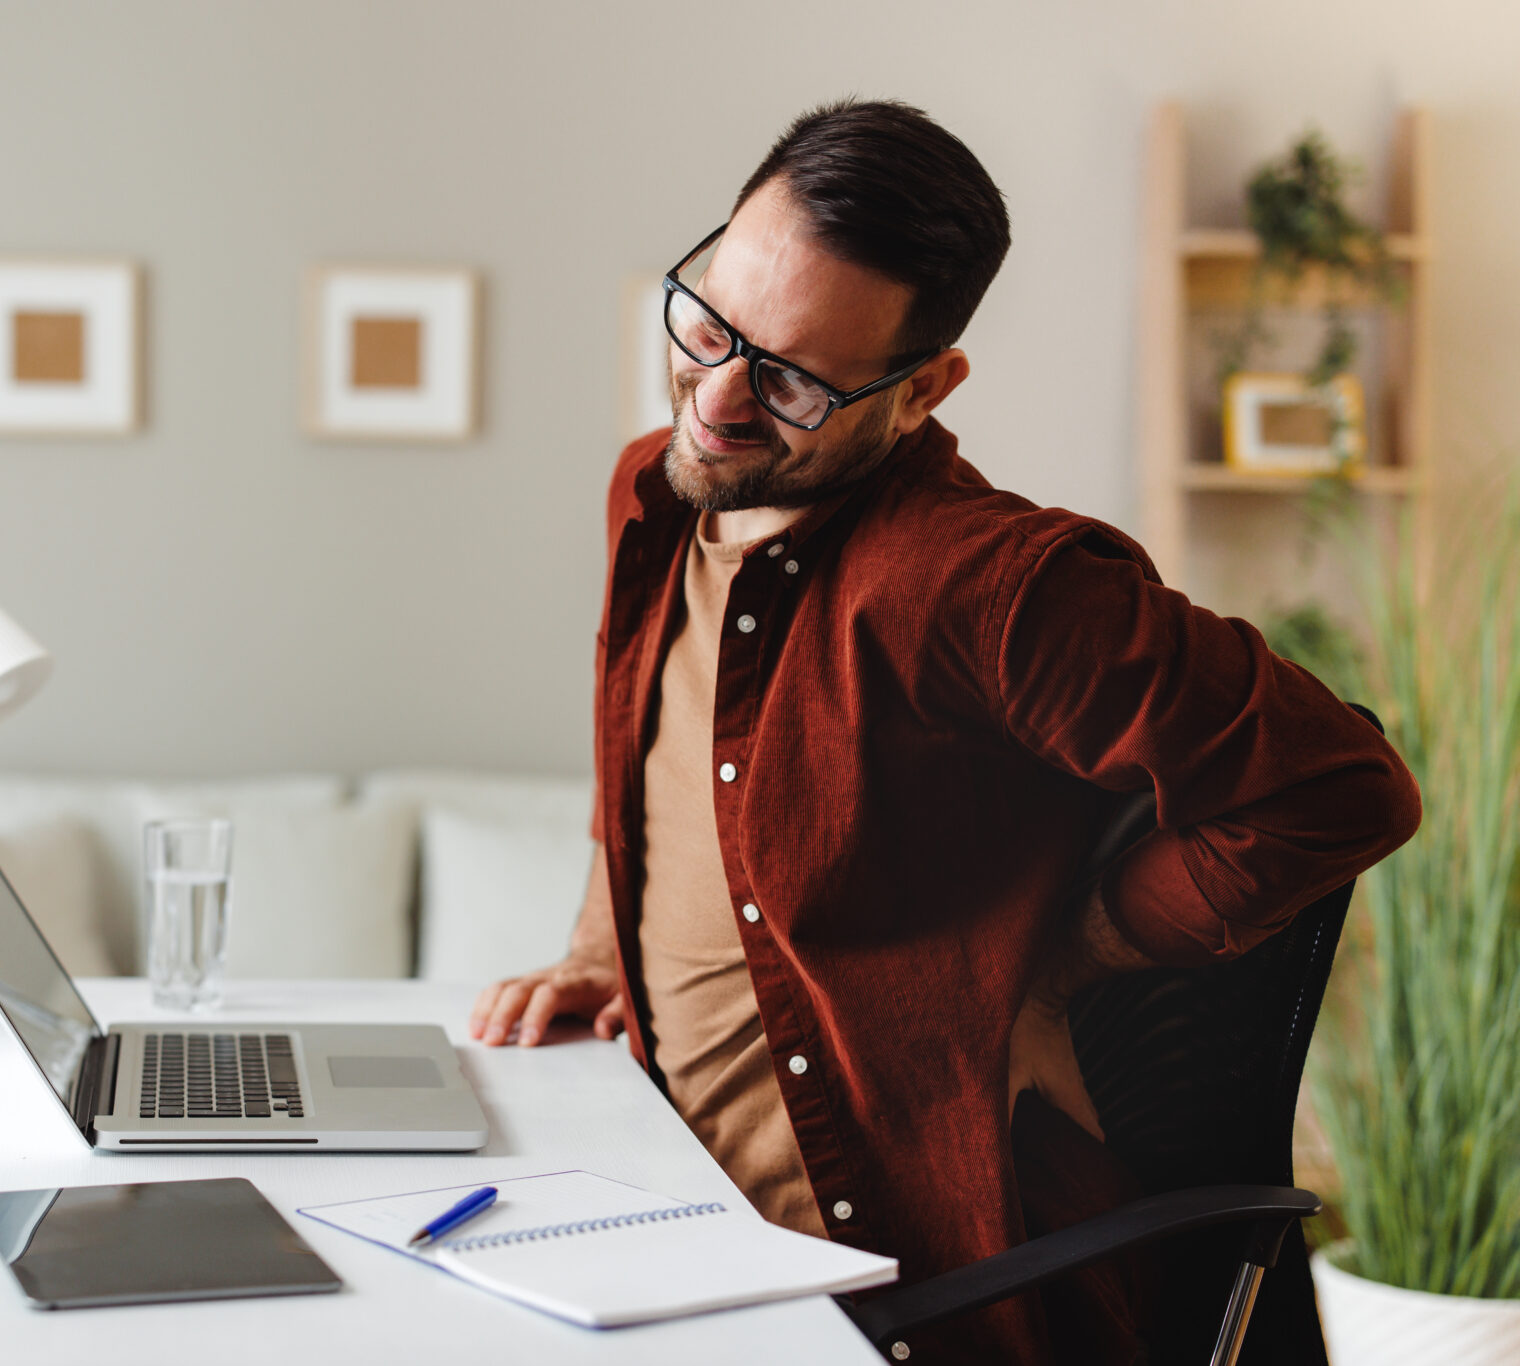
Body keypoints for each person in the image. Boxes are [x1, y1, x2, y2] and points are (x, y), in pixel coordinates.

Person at [469, 99, 1420, 1365]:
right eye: (709, 319)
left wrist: (1073, 951)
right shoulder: (651, 489)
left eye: (794, 379)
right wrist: (598, 943)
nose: (718, 397)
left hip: (892, 1292)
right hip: (663, 1207)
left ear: (920, 390)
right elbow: (637, 754)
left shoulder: (992, 587)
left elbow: (1344, 787)